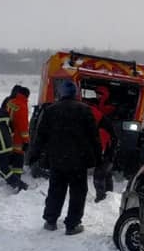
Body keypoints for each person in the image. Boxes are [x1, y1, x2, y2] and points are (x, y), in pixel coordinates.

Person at [27, 79, 101, 234]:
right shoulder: (85, 110)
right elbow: (94, 137)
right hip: (78, 161)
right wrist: (98, 158)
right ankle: (72, 225)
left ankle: (50, 220)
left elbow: (41, 136)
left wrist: (33, 155)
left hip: (57, 160)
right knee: (78, 193)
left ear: (61, 93)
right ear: (75, 93)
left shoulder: (50, 110)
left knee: (56, 190)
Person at [86, 87, 117, 202]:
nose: (97, 96)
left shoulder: (102, 127)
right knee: (107, 173)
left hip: (107, 151)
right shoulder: (102, 122)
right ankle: (109, 197)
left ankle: (101, 198)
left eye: (100, 94)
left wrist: (99, 155)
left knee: (99, 175)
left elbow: (102, 144)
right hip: (110, 150)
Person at [4, 85, 31, 187]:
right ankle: (17, 181)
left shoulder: (11, 102)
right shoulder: (23, 106)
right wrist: (26, 140)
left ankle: (9, 178)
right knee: (18, 160)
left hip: (8, 135)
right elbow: (23, 126)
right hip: (18, 138)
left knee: (9, 157)